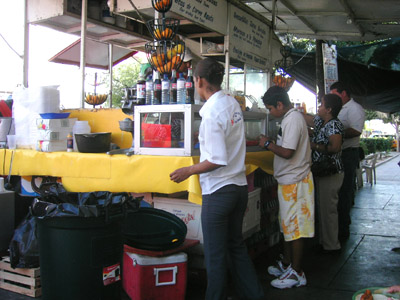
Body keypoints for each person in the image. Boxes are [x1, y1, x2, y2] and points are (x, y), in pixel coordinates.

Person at [170, 58, 264, 300]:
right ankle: (254, 295)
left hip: (219, 192)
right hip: (238, 189)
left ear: (199, 81)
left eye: (193, 80)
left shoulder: (211, 112)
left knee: (215, 255)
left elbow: (217, 159)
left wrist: (188, 171)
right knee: (236, 247)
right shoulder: (231, 103)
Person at [259, 86, 314, 289]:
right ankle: (288, 265)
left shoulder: (292, 119)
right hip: (289, 181)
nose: (270, 113)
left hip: (296, 182)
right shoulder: (290, 118)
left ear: (280, 105)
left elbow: (288, 152)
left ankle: (297, 273)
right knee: (288, 226)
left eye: (270, 108)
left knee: (296, 228)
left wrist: (267, 145)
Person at [303, 94, 344, 253]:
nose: (318, 107)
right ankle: (325, 241)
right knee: (322, 207)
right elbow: (309, 119)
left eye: (321, 105)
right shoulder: (322, 122)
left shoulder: (334, 125)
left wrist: (315, 146)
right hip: (321, 171)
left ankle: (332, 245)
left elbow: (335, 147)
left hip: (331, 172)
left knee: (329, 209)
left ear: (329, 109)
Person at [329, 82, 365, 241]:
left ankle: (343, 230)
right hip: (339, 153)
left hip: (348, 154)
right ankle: (337, 227)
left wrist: (336, 134)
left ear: (343, 93)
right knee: (337, 192)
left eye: (334, 94)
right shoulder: (339, 109)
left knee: (344, 191)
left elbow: (356, 130)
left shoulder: (355, 108)